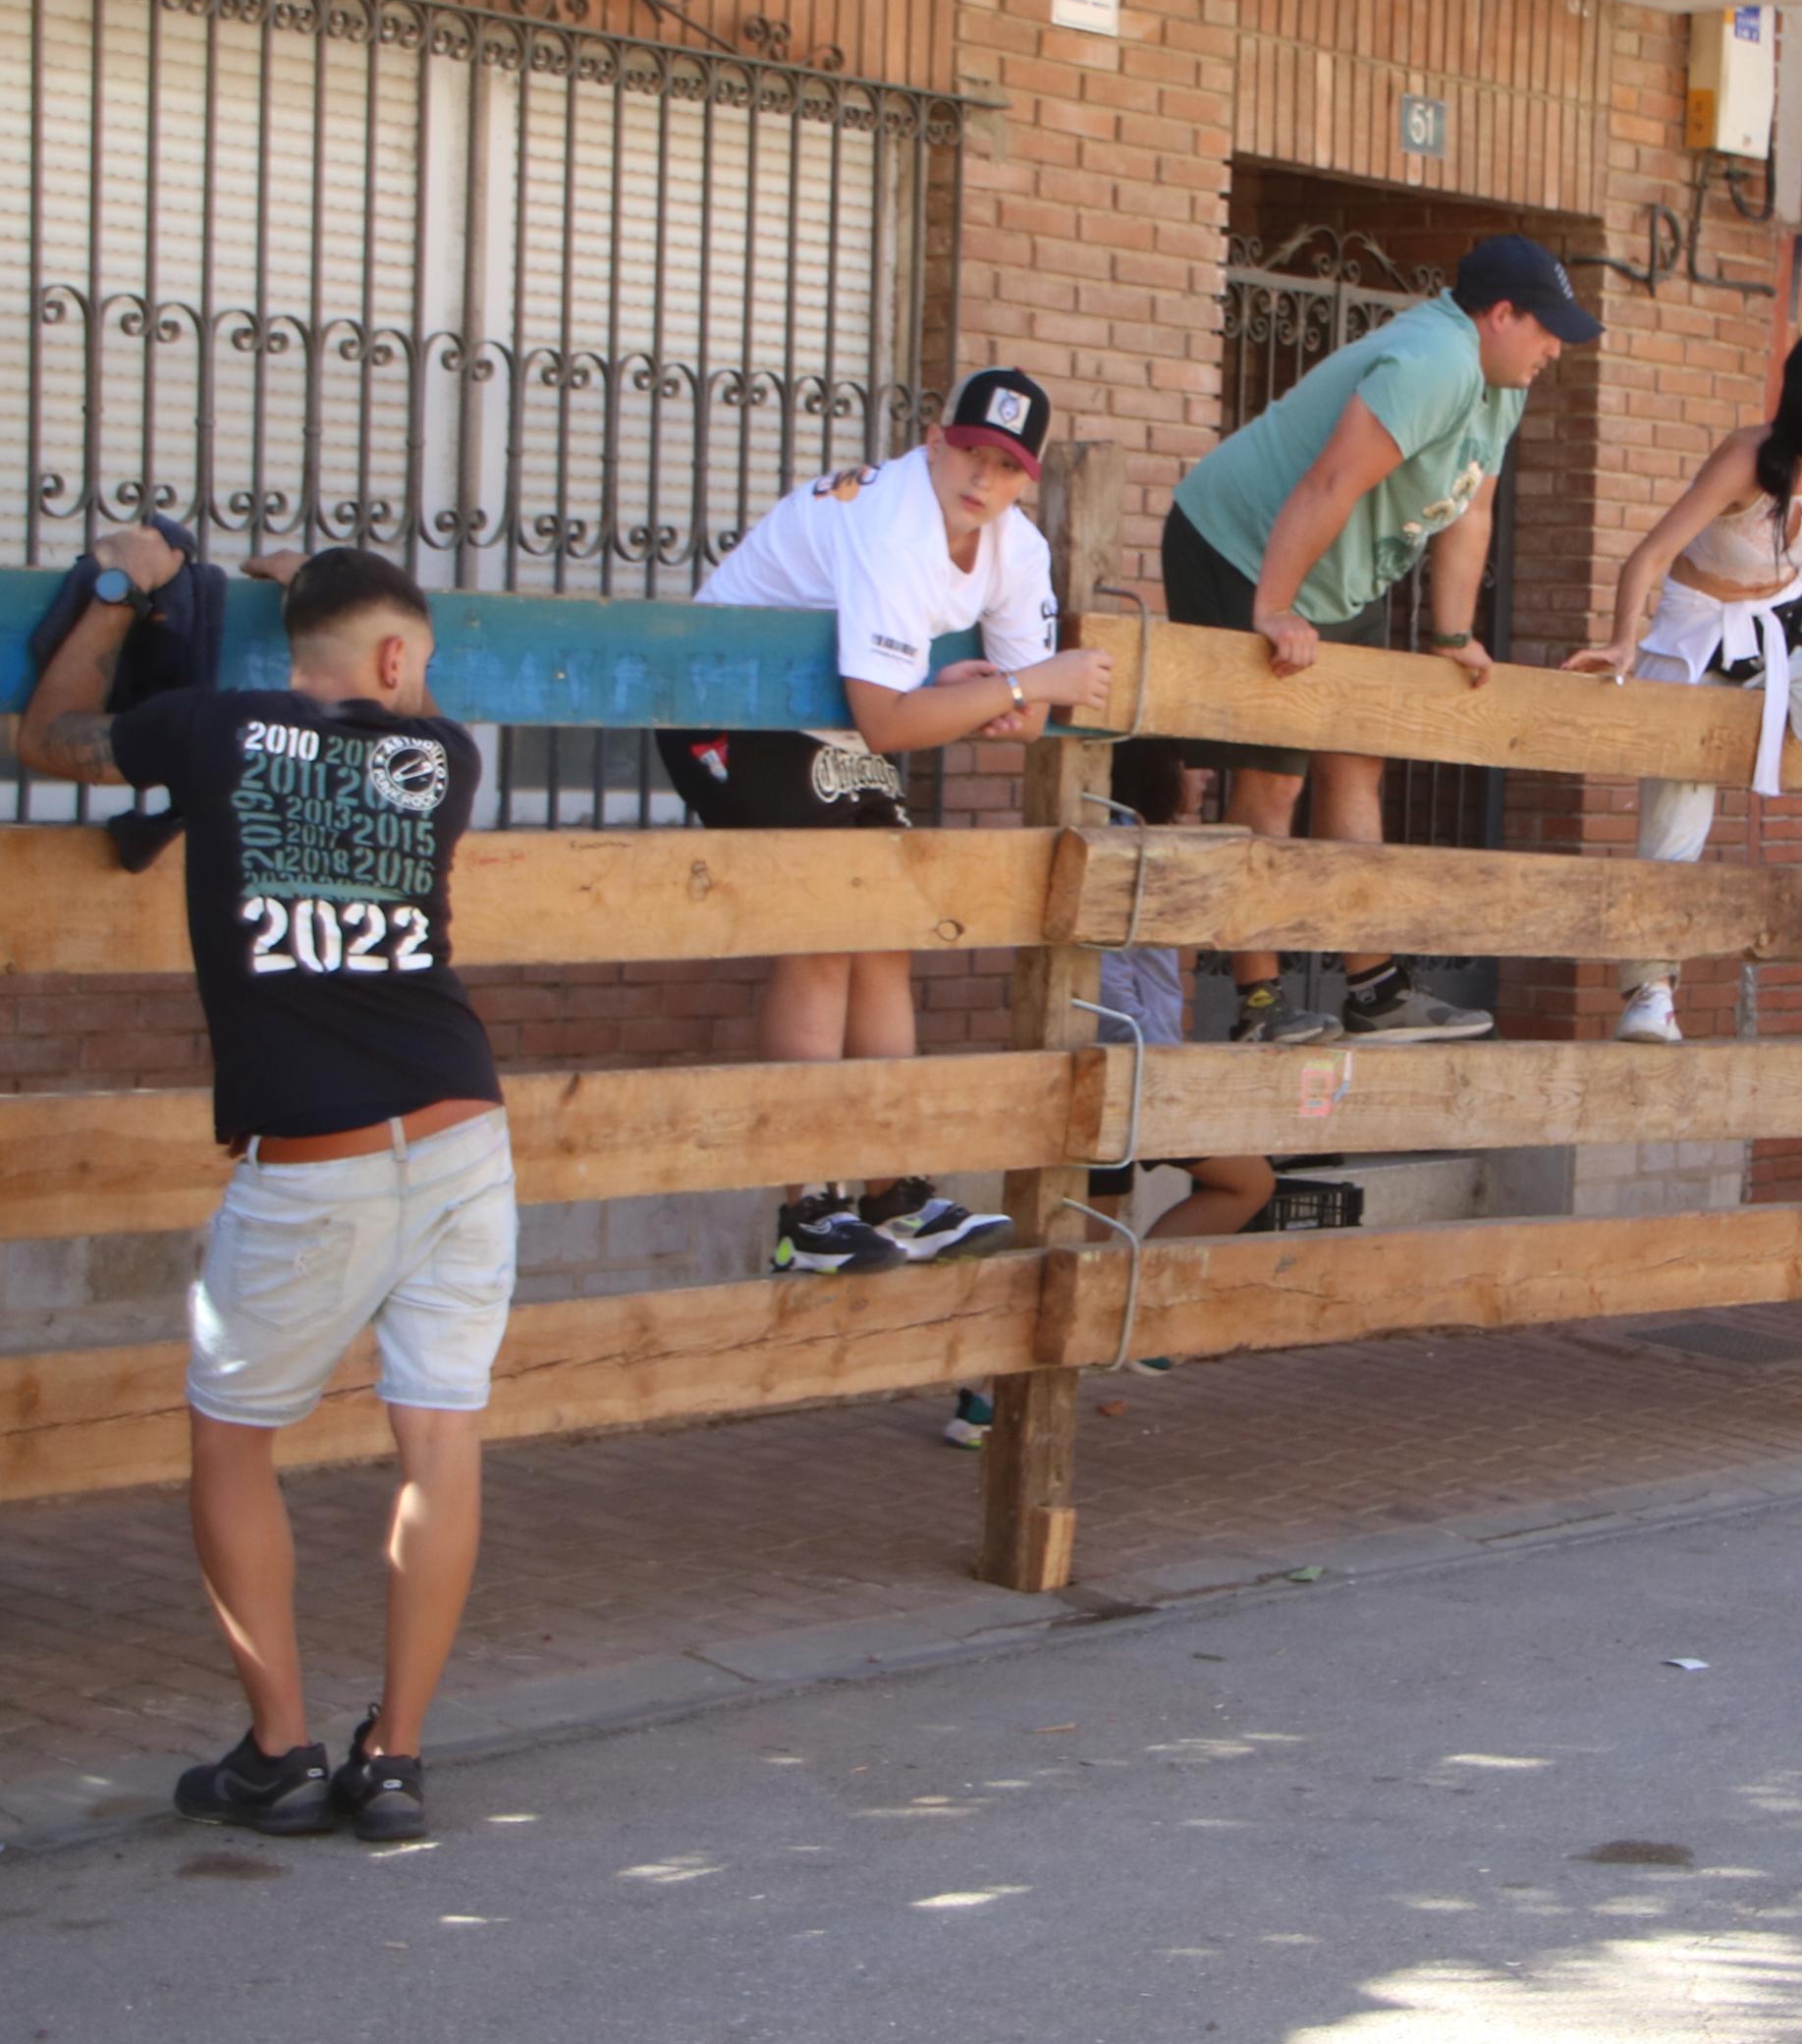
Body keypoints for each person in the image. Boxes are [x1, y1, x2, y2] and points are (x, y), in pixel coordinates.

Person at [20, 538, 514, 1845]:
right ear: (400, 658)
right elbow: (367, 700)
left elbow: (54, 736)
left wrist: (121, 595)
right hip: (464, 1136)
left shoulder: (208, 729)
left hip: (314, 1164)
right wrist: (321, 582)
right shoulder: (443, 757)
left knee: (235, 1436)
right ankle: (395, 1757)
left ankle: (281, 1748)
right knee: (439, 1439)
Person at [658, 367, 1111, 1277]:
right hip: (722, 702)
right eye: (969, 453)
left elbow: (1017, 722)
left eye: (1006, 467)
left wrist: (997, 690)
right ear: (936, 438)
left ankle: (894, 1189)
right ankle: (808, 1213)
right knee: (830, 931)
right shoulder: (894, 522)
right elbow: (901, 722)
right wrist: (1019, 684)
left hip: (818, 713)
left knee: (888, 934)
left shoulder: (1013, 546)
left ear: (1028, 480)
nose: (981, 480)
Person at [1167, 233, 1600, 1047]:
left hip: (1338, 575)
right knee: (1274, 780)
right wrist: (1271, 608)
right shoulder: (1433, 362)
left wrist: (1452, 634)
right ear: (1499, 315)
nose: (1554, 349)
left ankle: (1372, 988)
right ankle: (1255, 1008)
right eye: (1547, 330)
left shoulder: (1502, 384)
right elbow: (1330, 479)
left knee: (1356, 762)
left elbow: (1470, 510)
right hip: (1239, 545)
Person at [1564, 322, 1802, 1042]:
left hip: (1792, 620)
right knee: (1678, 808)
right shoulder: (1747, 457)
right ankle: (1649, 989)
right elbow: (1651, 552)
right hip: (1701, 629)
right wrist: (1624, 640)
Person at [943, 739, 1281, 1450]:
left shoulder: (1139, 841)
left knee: (1221, 1188)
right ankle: (989, 1392)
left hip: (1135, 1072)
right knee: (1077, 1244)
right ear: (1154, 777)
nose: (1202, 775)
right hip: (1120, 1075)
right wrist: (1140, 1064)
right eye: (1190, 764)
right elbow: (1110, 978)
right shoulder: (1128, 851)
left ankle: (1131, 1318)